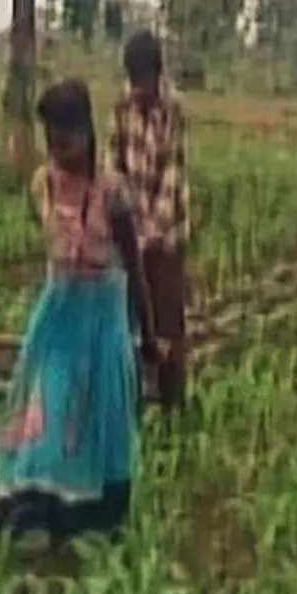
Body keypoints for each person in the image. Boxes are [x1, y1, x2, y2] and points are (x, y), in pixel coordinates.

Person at [0, 77, 158, 547]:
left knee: (99, 414)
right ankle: (35, 506)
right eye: (51, 140)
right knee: (50, 402)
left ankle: (91, 515)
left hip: (103, 314)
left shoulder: (114, 194)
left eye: (64, 139)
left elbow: (135, 267)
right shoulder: (43, 183)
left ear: (86, 132)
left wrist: (146, 339)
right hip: (60, 309)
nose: (57, 150)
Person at [107, 30, 191, 411]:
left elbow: (172, 176)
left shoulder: (174, 109)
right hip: (130, 227)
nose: (138, 90)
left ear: (157, 75)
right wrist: (123, 224)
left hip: (167, 231)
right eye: (133, 82)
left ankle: (173, 403)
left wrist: (150, 234)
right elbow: (113, 165)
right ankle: (134, 397)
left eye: (143, 82)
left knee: (167, 318)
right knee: (131, 318)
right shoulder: (121, 105)